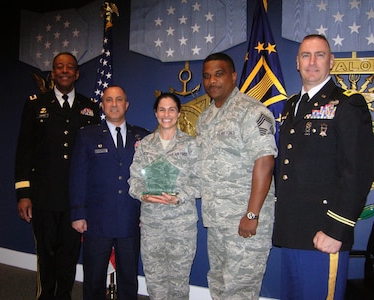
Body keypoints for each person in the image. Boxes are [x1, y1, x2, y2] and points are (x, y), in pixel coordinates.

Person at [273, 34, 374, 300]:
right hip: (291, 230)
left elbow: (359, 171)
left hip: (323, 233)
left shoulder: (348, 104)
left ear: (331, 61)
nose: (312, 61)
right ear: (297, 62)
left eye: (320, 55)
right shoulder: (292, 106)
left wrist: (336, 229)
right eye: (306, 55)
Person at [15, 52, 100, 299]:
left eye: (70, 67)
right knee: (46, 253)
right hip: (44, 196)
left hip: (75, 199)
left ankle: (63, 295)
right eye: (59, 67)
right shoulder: (35, 104)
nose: (65, 71)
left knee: (69, 254)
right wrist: (23, 193)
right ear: (53, 73)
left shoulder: (90, 108)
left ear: (77, 74)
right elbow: (24, 152)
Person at [196, 52, 278, 299]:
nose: (212, 81)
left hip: (245, 219)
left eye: (219, 74)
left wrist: (252, 214)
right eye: (207, 76)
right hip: (217, 220)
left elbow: (265, 161)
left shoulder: (253, 112)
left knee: (240, 289)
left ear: (233, 77)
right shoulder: (205, 118)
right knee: (219, 284)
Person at [70, 85, 150, 300]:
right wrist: (78, 213)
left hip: (130, 218)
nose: (114, 104)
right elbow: (78, 176)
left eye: (119, 99)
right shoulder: (87, 136)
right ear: (102, 105)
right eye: (109, 100)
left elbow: (149, 178)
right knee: (94, 278)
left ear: (127, 104)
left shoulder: (142, 136)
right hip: (97, 220)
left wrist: (147, 211)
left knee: (128, 279)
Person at [128, 92, 199, 300]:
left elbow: (201, 181)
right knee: (155, 282)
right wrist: (143, 195)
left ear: (178, 113)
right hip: (152, 224)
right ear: (155, 113)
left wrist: (179, 197)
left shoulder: (191, 145)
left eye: (171, 109)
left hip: (182, 225)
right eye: (162, 109)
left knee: (178, 284)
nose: (166, 114)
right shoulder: (144, 145)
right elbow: (133, 181)